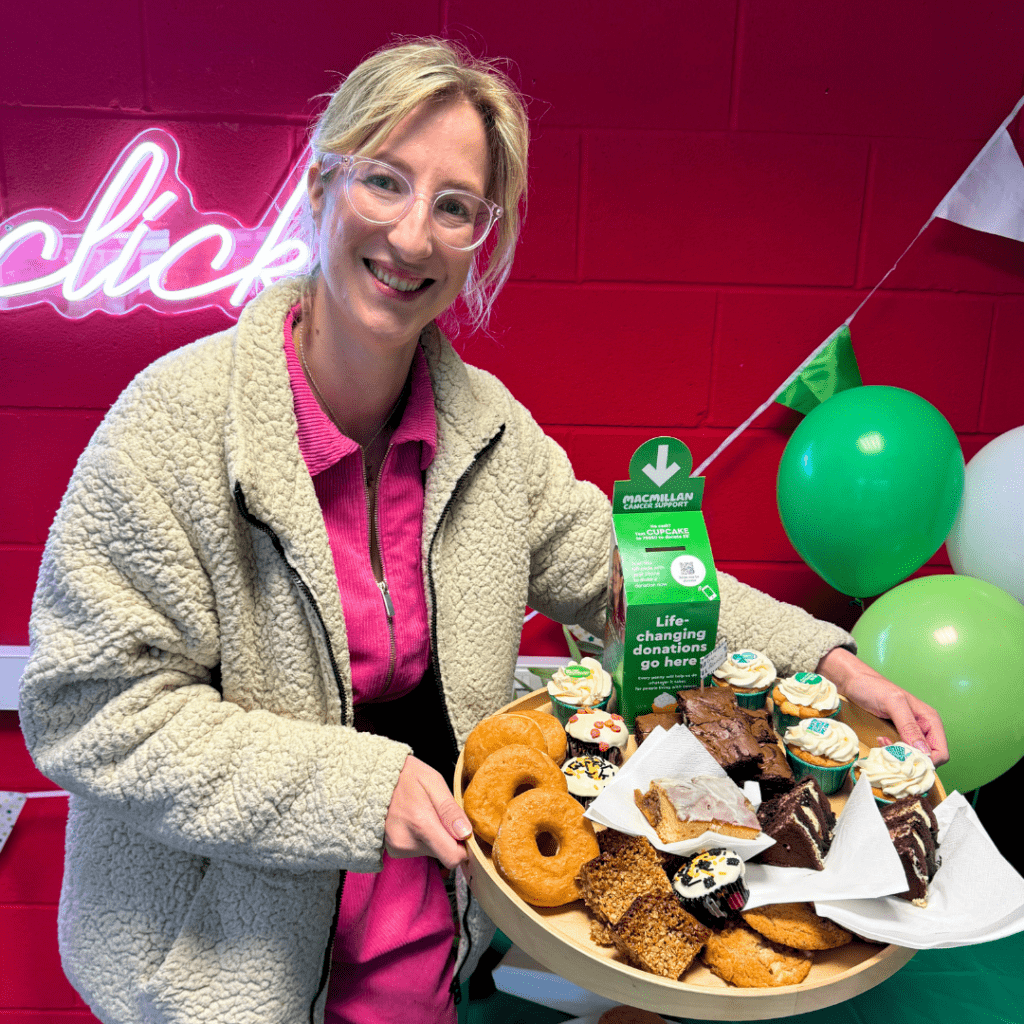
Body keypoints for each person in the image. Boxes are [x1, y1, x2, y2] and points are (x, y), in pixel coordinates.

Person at [19, 37, 947, 1024]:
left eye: (454, 205)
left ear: (482, 241)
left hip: (421, 950)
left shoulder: (488, 433)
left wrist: (828, 662)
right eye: (384, 181)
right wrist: (356, 786)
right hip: (223, 973)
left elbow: (630, 578)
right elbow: (91, 708)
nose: (413, 234)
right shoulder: (173, 429)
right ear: (323, 184)